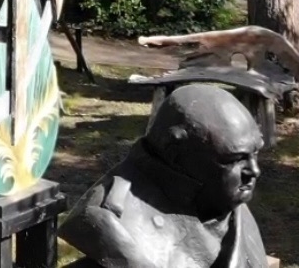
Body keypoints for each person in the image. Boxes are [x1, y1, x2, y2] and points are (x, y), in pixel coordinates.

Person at [60, 83, 269, 268]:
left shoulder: (230, 207)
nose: (254, 171)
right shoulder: (114, 217)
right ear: (175, 153)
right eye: (234, 159)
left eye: (255, 152)